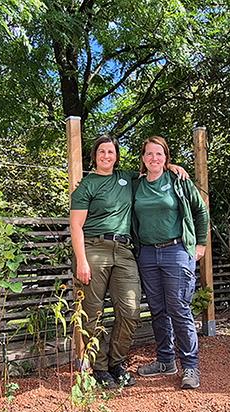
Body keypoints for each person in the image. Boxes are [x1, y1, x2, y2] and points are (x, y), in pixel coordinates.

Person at [70, 135, 188, 389]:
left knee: (131, 310)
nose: (106, 156)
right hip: (94, 248)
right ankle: (100, 368)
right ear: (95, 156)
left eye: (110, 152)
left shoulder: (128, 179)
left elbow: (153, 169)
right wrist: (81, 261)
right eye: (101, 151)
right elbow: (76, 226)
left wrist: (171, 166)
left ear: (116, 156)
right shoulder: (87, 185)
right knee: (92, 312)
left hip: (124, 251)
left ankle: (117, 363)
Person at [133, 135, 209, 390]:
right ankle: (165, 361)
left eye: (159, 154)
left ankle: (190, 366)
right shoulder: (136, 184)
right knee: (157, 309)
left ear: (166, 157)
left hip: (176, 251)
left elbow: (200, 211)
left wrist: (200, 244)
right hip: (147, 254)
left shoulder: (178, 180)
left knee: (179, 308)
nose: (154, 158)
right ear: (143, 158)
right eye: (149, 153)